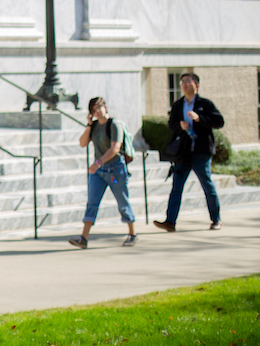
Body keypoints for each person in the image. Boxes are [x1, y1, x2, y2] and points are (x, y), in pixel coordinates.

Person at [155, 71, 226, 233]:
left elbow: (219, 121)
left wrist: (199, 118)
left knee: (207, 185)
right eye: (182, 82)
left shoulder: (205, 104)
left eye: (188, 81)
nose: (184, 84)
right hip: (183, 152)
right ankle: (170, 222)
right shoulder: (178, 105)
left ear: (196, 85)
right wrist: (180, 126)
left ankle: (216, 219)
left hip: (200, 152)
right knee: (176, 187)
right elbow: (171, 125)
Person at [67, 97, 138, 249]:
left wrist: (98, 163)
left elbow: (115, 148)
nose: (97, 112)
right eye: (93, 110)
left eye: (99, 108)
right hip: (98, 172)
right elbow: (82, 143)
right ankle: (83, 238)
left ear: (106, 107)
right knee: (92, 202)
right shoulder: (94, 126)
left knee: (122, 201)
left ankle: (132, 234)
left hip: (115, 169)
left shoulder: (114, 124)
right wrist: (88, 125)